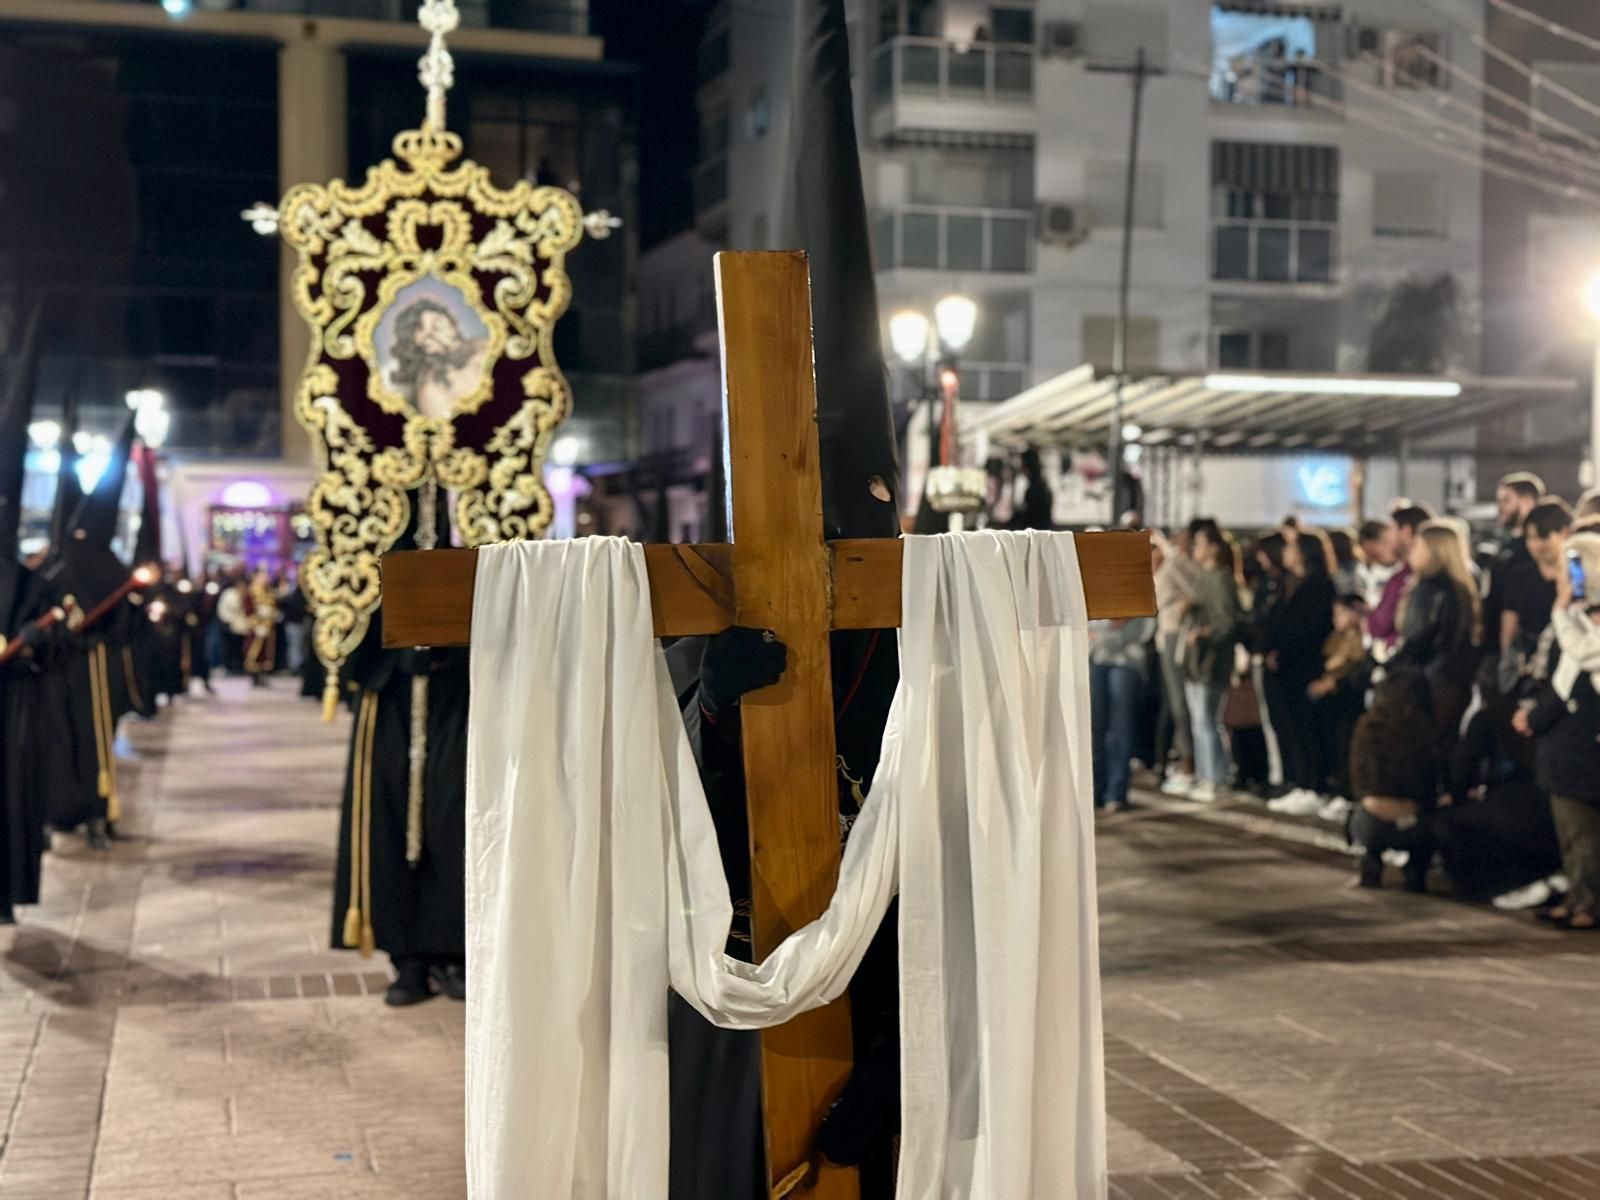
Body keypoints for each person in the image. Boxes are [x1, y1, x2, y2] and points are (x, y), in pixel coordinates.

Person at [1514, 530, 1600, 929]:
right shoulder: (1579, 620)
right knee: (1571, 829)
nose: (1560, 581)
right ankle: (1578, 896)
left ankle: (1587, 903)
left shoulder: (1584, 623)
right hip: (1568, 745)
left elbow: (1580, 662)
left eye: (1569, 572)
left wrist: (1563, 614)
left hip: (1583, 744)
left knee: (1582, 831)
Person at [1391, 519, 1480, 759]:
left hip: (1428, 682)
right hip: (1456, 682)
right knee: (1447, 747)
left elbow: (1418, 640)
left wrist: (1390, 668)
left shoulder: (1428, 589)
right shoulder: (1463, 587)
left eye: (1417, 545)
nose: (1412, 550)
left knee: (1423, 753)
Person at [1263, 527, 1336, 812]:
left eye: (1292, 547)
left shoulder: (1318, 586)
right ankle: (1301, 782)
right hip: (1285, 667)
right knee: (1292, 727)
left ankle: (1313, 785)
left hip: (1304, 666)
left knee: (1308, 727)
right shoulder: (1289, 583)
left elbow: (1308, 629)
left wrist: (1284, 651)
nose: (1286, 552)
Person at [1348, 669, 1439, 892]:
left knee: (1363, 815)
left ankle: (1371, 862)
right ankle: (1416, 872)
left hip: (1371, 819)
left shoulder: (1368, 728)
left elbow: (1358, 777)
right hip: (1412, 822)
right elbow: (1430, 781)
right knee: (1431, 822)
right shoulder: (1424, 729)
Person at [1181, 520, 1240, 802]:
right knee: (1198, 721)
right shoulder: (1203, 576)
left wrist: (1205, 633)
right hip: (1197, 660)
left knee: (1207, 720)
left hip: (1211, 660)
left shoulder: (1220, 579)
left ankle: (1215, 777)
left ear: (1213, 548)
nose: (1195, 549)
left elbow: (1228, 622)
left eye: (1200, 544)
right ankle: (1207, 775)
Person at [1306, 593, 1369, 817]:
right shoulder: (1337, 638)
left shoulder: (1362, 639)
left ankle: (1348, 794)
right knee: (1333, 744)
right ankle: (1335, 788)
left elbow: (1356, 672)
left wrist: (1333, 682)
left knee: (1348, 745)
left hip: (1350, 699)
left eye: (1340, 613)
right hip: (1333, 701)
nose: (1336, 619)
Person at [1089, 614, 1157, 812]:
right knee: (1096, 728)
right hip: (1095, 658)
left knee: (1121, 728)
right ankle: (1096, 790)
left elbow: (1144, 622)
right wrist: (1110, 626)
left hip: (1126, 661)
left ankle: (1116, 793)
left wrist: (1103, 633)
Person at [386, 298, 489, 419]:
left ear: (449, 318)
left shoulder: (482, 343)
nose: (441, 336)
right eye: (428, 339)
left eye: (438, 323)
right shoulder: (432, 391)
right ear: (423, 351)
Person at [1153, 528, 1199, 794]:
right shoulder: (1176, 565)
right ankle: (1183, 759)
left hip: (1177, 636)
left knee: (1181, 703)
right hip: (1171, 635)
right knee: (1175, 703)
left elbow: (1189, 587)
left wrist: (1164, 547)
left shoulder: (1181, 566)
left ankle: (1189, 763)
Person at [1368, 505, 1430, 650]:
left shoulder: (1410, 577)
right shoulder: (1403, 574)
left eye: (1391, 529)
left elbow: (1379, 625)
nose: (1387, 537)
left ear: (1406, 531)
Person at [243, 567, 277, 687]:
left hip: (267, 626)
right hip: (256, 627)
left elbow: (273, 605)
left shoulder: (269, 591)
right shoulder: (251, 591)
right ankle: (254, 676)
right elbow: (248, 610)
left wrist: (271, 613)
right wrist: (255, 624)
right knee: (254, 650)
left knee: (266, 652)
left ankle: (263, 674)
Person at [1356, 518, 1397, 607]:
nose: (1374, 561)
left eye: (1375, 555)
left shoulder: (1404, 569)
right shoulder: (1363, 569)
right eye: (1368, 555)